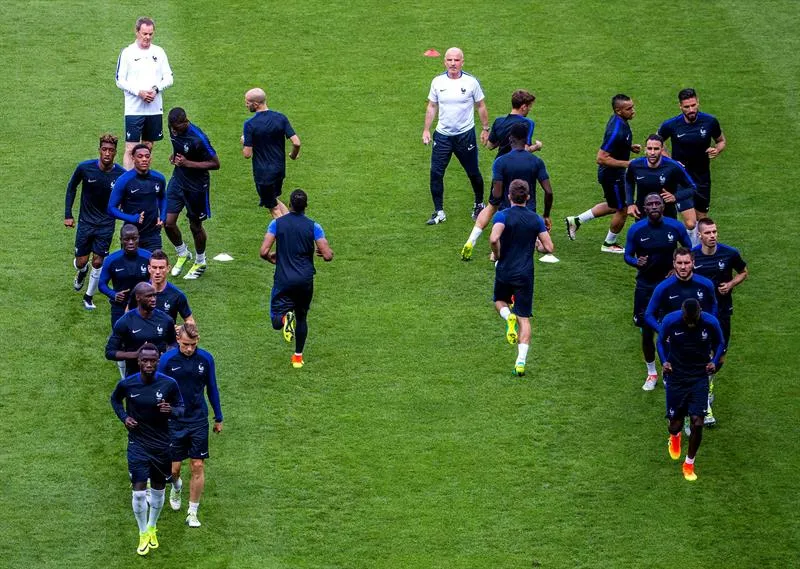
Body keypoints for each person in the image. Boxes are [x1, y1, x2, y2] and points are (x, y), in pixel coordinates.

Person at [110, 343, 184, 555]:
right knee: (140, 493)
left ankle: (152, 527)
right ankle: (142, 532)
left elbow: (181, 408)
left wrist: (171, 410)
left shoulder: (169, 384)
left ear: (158, 361)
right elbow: (114, 400)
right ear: (139, 361)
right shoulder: (128, 384)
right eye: (145, 360)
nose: (149, 364)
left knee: (159, 490)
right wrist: (124, 418)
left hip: (161, 445)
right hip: (137, 444)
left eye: (153, 360)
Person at [260, 189, 334, 368]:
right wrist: (322, 252)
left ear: (290, 205)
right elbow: (328, 255)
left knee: (276, 319)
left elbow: (263, 251)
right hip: (305, 280)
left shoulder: (277, 224)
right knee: (302, 316)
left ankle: (286, 320)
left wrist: (272, 258)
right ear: (305, 207)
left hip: (284, 279)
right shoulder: (314, 226)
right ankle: (297, 358)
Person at [624, 194, 691, 390]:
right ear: (644, 208)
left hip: (670, 286)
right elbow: (627, 254)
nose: (654, 206)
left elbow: (688, 249)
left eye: (657, 203)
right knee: (646, 332)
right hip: (645, 286)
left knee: (670, 329)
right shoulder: (636, 230)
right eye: (650, 204)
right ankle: (651, 372)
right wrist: (637, 262)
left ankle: (669, 370)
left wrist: (676, 268)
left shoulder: (675, 227)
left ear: (663, 206)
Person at [158, 323, 222, 528]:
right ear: (178, 340)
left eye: (193, 345)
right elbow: (158, 389)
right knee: (173, 469)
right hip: (174, 421)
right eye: (186, 344)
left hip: (198, 419)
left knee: (197, 465)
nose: (189, 349)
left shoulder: (206, 359)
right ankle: (176, 487)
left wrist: (218, 417)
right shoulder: (167, 360)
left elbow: (212, 387)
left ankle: (192, 513)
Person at [489, 179, 554, 376]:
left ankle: (508, 317)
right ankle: (520, 362)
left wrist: (496, 253)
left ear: (509, 196)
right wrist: (537, 245)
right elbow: (548, 248)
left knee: (500, 302)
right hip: (525, 274)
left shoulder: (502, 215)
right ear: (528, 197)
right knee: (524, 319)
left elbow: (493, 238)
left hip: (505, 270)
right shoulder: (535, 219)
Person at [462, 122, 553, 260]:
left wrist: (496, 201)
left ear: (510, 139)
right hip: (529, 213)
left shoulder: (500, 162)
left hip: (507, 214)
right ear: (526, 140)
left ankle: (492, 256)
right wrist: (546, 215)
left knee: (501, 254)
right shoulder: (536, 162)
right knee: (524, 253)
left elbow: (497, 194)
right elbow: (549, 192)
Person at [657, 299, 725, 481]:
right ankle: (675, 436)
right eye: (688, 319)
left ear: (700, 312)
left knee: (697, 422)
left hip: (698, 377)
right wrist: (664, 361)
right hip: (677, 377)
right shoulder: (671, 321)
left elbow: (720, 342)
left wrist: (715, 360)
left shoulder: (710, 322)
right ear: (682, 312)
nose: (691, 323)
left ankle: (689, 463)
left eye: (694, 319)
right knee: (675, 423)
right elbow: (660, 342)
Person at [564, 94, 642, 252]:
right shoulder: (616, 131)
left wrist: (629, 147)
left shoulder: (619, 120)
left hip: (613, 174)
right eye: (629, 109)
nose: (633, 111)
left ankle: (576, 220)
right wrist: (628, 163)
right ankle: (609, 244)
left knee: (614, 205)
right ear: (618, 111)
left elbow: (615, 145)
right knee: (623, 209)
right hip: (612, 176)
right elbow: (601, 158)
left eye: (632, 107)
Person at [422, 47, 490, 225]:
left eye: (456, 60)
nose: (453, 63)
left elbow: (481, 105)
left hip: (465, 136)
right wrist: (426, 129)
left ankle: (478, 204)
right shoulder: (437, 82)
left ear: (462, 62)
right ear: (444, 61)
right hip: (443, 136)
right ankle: (439, 212)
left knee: (473, 172)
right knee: (436, 174)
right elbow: (432, 106)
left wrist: (485, 128)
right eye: (450, 60)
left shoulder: (471, 82)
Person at [692, 218, 748, 425]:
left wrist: (731, 284)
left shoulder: (729, 253)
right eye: (708, 233)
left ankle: (709, 382)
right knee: (703, 356)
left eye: (714, 231)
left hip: (723, 313)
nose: (713, 235)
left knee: (720, 357)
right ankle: (704, 403)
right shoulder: (693, 257)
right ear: (700, 235)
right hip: (700, 316)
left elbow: (744, 272)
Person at [64, 134, 126, 310]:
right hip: (86, 222)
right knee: (82, 262)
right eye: (104, 149)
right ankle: (82, 272)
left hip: (106, 224)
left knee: (98, 262)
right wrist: (68, 214)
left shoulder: (121, 174)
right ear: (99, 150)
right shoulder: (85, 168)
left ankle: (88, 296)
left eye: (111, 150)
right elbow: (71, 187)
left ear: (115, 153)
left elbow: (127, 196)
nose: (107, 153)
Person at [644, 248, 718, 385]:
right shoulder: (663, 288)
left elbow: (713, 305)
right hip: (672, 342)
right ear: (674, 264)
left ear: (693, 263)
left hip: (698, 338)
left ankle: (705, 399)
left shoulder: (705, 284)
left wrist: (710, 327)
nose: (683, 267)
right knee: (673, 381)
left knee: (702, 374)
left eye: (686, 262)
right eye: (679, 263)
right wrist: (662, 331)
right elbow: (648, 314)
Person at [164, 107, 220, 280]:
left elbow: (216, 164)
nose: (173, 131)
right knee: (167, 222)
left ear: (185, 122)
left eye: (177, 127)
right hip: (178, 181)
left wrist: (188, 163)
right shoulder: (172, 126)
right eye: (171, 127)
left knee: (195, 226)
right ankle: (182, 253)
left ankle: (200, 260)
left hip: (197, 186)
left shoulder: (198, 138)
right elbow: (178, 146)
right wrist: (175, 156)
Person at [115, 17, 174, 170]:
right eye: (144, 34)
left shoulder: (159, 52)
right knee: (130, 149)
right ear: (137, 32)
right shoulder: (128, 53)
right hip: (134, 109)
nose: (147, 37)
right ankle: (128, 184)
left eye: (150, 34)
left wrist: (155, 89)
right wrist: (139, 92)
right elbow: (119, 80)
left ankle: (142, 181)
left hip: (154, 109)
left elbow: (169, 77)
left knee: (147, 147)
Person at [658, 88, 726, 218]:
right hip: (681, 177)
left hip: (702, 177)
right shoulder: (671, 125)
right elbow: (656, 142)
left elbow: (721, 140)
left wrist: (717, 149)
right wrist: (669, 160)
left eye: (693, 105)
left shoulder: (710, 121)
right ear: (680, 106)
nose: (691, 110)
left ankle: (695, 239)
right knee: (690, 222)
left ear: (698, 102)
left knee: (702, 217)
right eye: (686, 107)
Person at [625, 134, 699, 244]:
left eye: (656, 149)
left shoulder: (673, 166)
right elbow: (629, 181)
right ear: (645, 149)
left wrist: (675, 197)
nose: (652, 152)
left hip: (667, 214)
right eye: (649, 149)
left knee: (667, 246)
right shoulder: (635, 165)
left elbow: (692, 188)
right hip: (643, 213)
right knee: (644, 248)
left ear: (662, 150)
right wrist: (630, 203)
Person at [242, 87, 301, 219]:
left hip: (263, 174)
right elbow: (296, 142)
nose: (246, 105)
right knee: (274, 200)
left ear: (255, 104)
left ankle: (288, 236)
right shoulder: (281, 118)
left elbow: (247, 154)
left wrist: (244, 141)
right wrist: (293, 155)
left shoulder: (250, 124)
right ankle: (294, 224)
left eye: (247, 102)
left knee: (274, 209)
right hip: (279, 170)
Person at [106, 282, 177, 378]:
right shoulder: (125, 321)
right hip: (134, 376)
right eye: (149, 296)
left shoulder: (166, 320)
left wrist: (167, 355)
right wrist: (135, 355)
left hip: (160, 376)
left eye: (154, 296)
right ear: (138, 297)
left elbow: (173, 342)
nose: (153, 299)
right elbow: (110, 352)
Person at [108, 144, 167, 251]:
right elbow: (111, 209)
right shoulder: (124, 180)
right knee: (131, 266)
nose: (144, 159)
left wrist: (163, 217)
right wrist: (132, 218)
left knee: (155, 263)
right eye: (140, 156)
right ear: (133, 158)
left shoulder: (159, 178)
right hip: (131, 235)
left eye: (147, 156)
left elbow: (163, 197)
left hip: (152, 234)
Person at [98, 224, 152, 329]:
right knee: (120, 339)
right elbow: (101, 284)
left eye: (134, 239)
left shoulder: (148, 257)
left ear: (138, 238)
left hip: (143, 305)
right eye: (127, 239)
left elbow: (156, 280)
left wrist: (147, 293)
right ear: (121, 240)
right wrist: (113, 294)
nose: (131, 242)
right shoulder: (111, 260)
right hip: (119, 306)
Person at [128, 250, 195, 325]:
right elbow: (127, 315)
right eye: (154, 267)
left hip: (166, 335)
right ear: (149, 268)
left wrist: (181, 328)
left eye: (161, 268)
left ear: (168, 268)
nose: (157, 272)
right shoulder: (140, 291)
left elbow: (190, 321)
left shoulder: (177, 295)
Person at [486, 89, 542, 157]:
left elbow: (490, 146)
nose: (530, 109)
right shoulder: (528, 123)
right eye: (529, 106)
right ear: (523, 107)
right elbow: (525, 150)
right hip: (517, 164)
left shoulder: (498, 121)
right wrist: (537, 146)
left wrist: (502, 138)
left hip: (500, 163)